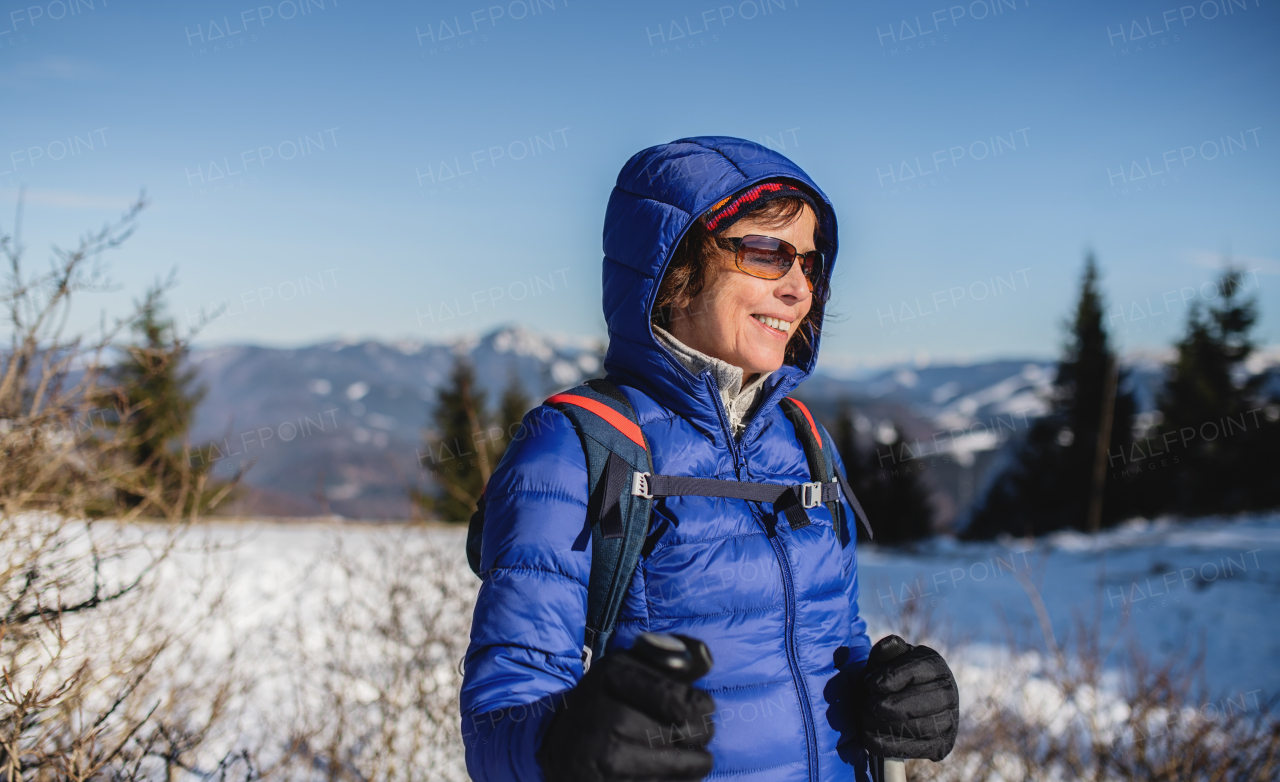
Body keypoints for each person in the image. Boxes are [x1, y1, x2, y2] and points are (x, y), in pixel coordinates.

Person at [461, 137, 958, 782]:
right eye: (765, 252)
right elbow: (498, 718)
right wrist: (563, 745)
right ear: (672, 264)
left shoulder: (804, 440)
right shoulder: (572, 447)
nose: (798, 290)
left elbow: (832, 647)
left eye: (809, 263)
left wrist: (892, 696)